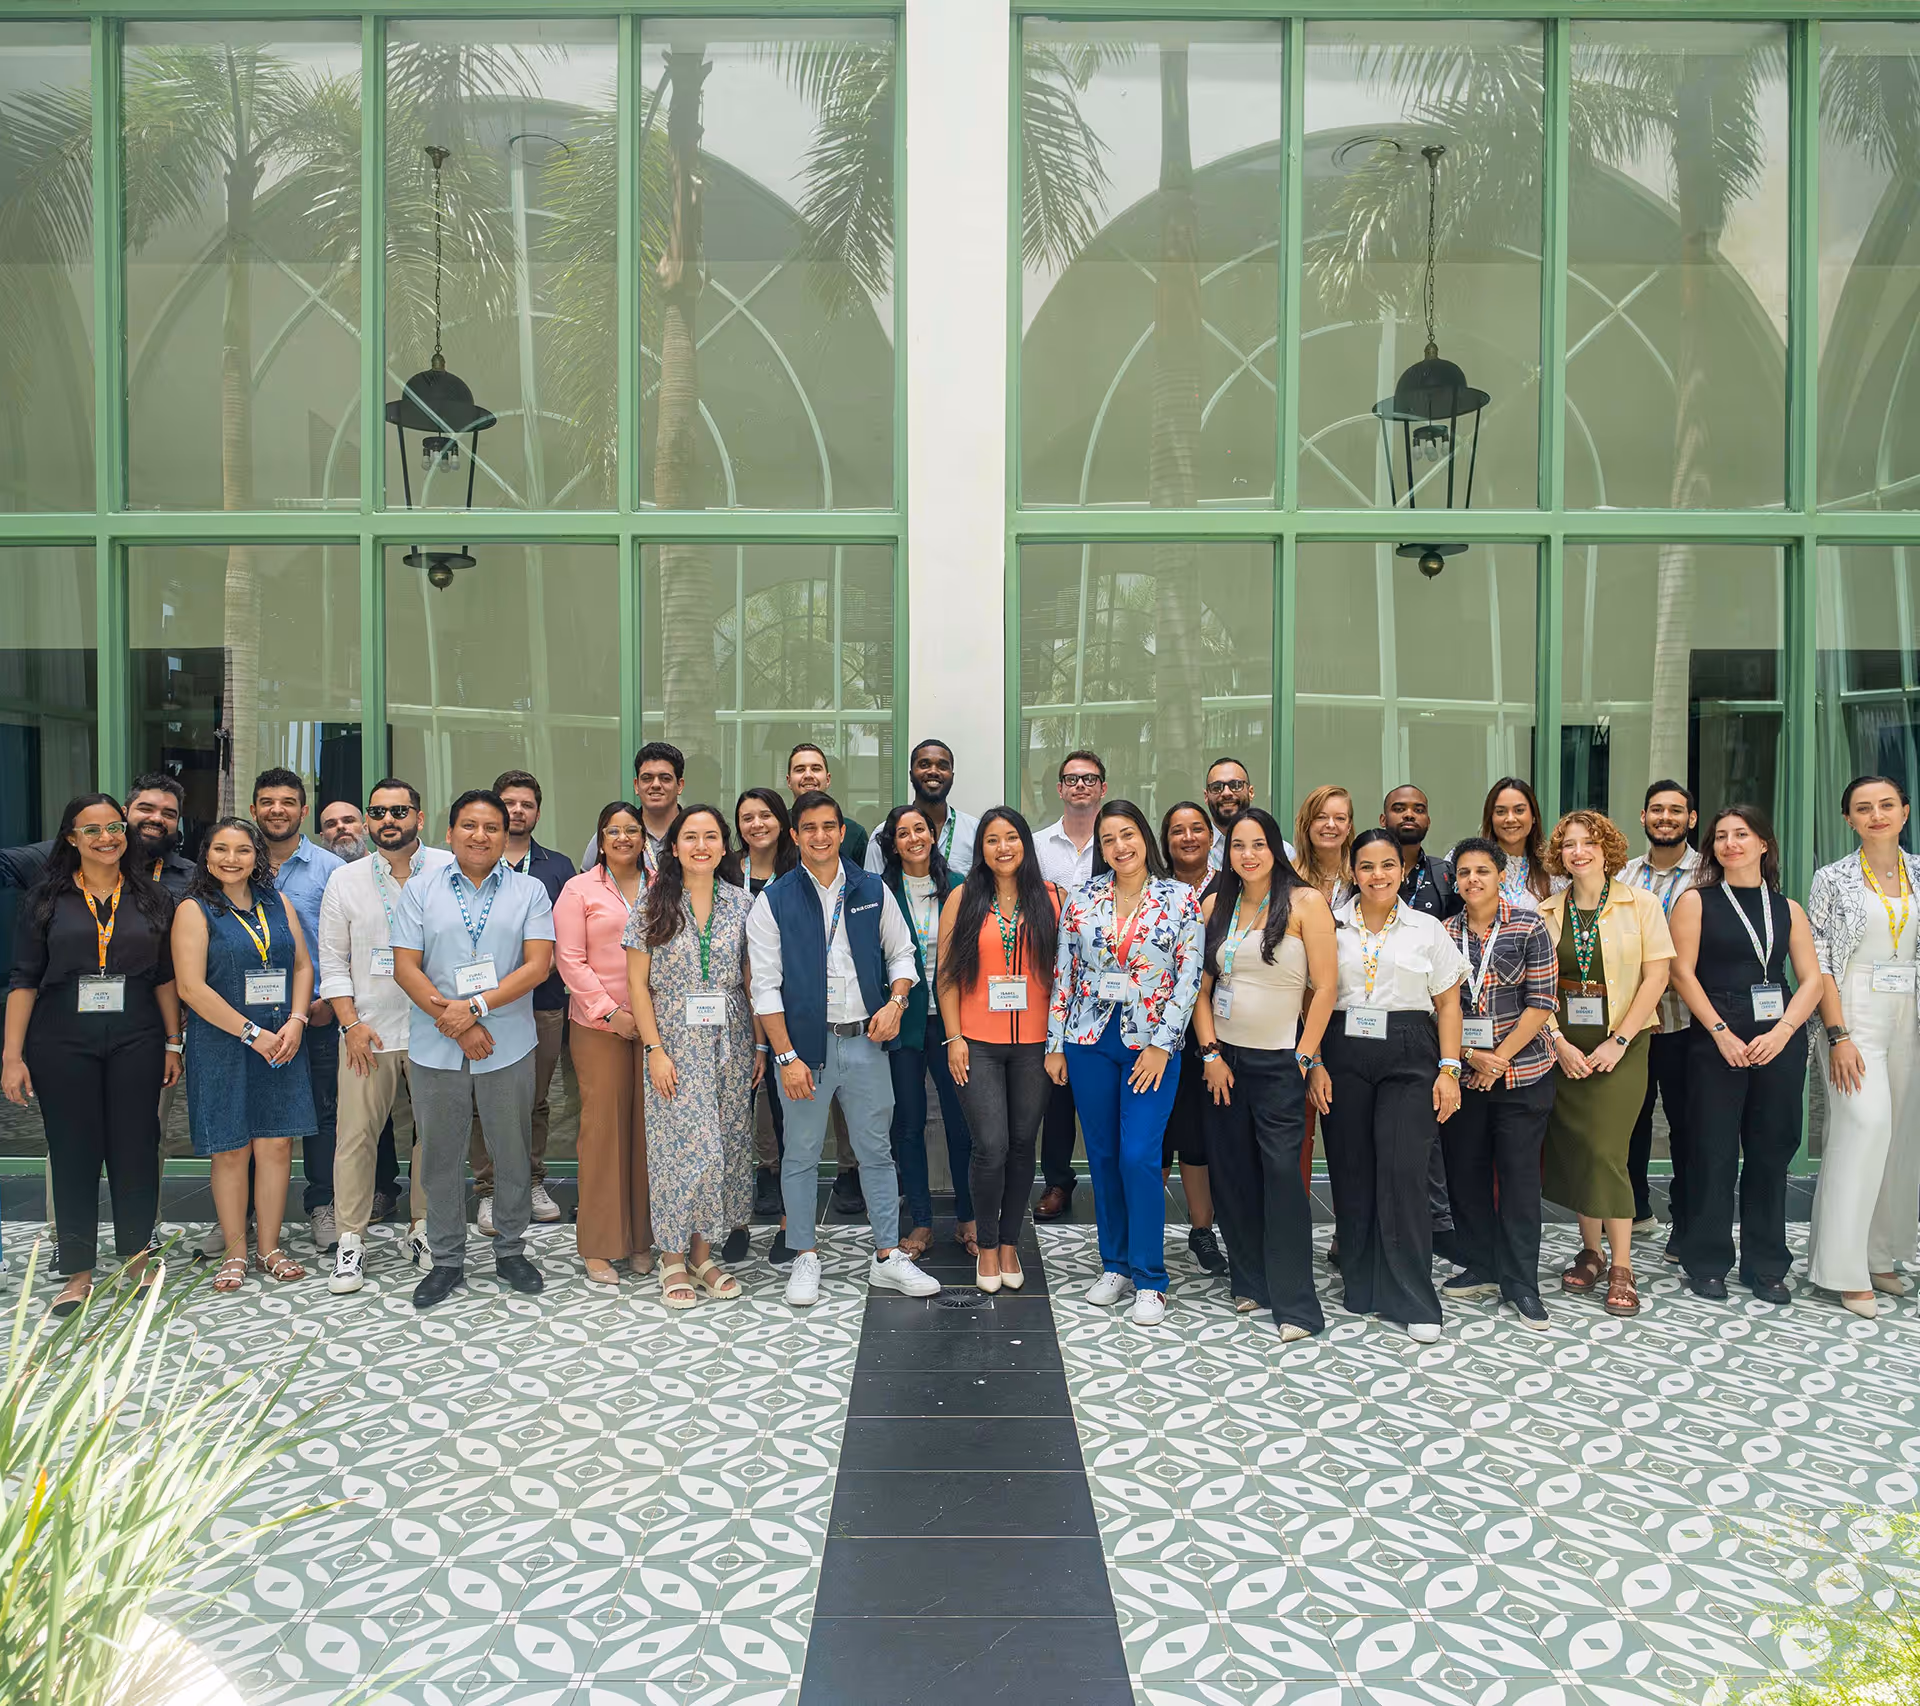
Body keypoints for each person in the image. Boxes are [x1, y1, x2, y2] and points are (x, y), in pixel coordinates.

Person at [749, 791, 942, 1305]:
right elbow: (764, 987)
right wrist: (785, 1057)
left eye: (829, 826)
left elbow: (903, 954)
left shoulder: (872, 888)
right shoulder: (774, 899)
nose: (820, 836)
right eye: (808, 827)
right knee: (801, 1155)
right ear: (795, 835)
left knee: (876, 1152)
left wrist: (897, 1003)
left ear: (841, 830)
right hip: (804, 1053)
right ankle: (805, 1255)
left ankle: (886, 1257)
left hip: (865, 1043)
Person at [2, 796, 181, 1315]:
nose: (107, 837)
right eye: (93, 829)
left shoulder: (151, 897)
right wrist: (12, 1056)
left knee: (136, 1146)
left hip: (137, 1036)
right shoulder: (43, 899)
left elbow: (164, 976)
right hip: (61, 1039)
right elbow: (24, 980)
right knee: (73, 1150)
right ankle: (77, 1271)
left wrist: (173, 1041)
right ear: (71, 838)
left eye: (115, 827)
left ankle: (137, 1256)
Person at [391, 789, 555, 1309]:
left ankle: (510, 1249)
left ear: (505, 835)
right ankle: (446, 1260)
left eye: (491, 827)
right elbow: (405, 967)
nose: (479, 835)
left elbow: (538, 966)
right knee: (440, 1154)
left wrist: (476, 1009)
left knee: (511, 1151)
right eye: (469, 825)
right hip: (436, 1044)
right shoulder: (419, 890)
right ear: (449, 832)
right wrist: (457, 1022)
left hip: (507, 1042)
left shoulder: (530, 891)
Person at [1046, 801, 1203, 1326]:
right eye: (1109, 839)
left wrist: (1164, 1043)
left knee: (1140, 1155)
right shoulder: (1082, 901)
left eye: (1128, 834)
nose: (1120, 846)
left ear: (1144, 838)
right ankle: (1114, 1263)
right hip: (1089, 1041)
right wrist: (1054, 1043)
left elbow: (1189, 977)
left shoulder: (1180, 900)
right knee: (1105, 1156)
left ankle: (1150, 1278)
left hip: (1150, 1048)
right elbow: (1064, 973)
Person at [1190, 807, 1336, 1341]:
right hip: (1225, 1060)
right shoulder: (1216, 904)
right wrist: (1210, 1055)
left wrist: (1304, 1057)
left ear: (1276, 848)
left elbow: (1325, 990)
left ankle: (1297, 1304)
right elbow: (1199, 991)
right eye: (1237, 846)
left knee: (1281, 1178)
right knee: (1232, 1174)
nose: (1247, 855)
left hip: (1281, 1063)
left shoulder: (1304, 902)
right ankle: (1248, 1280)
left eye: (1258, 844)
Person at [1667, 806, 1821, 1306]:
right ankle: (1707, 1261)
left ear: (1763, 845)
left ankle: (1767, 1264)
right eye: (1722, 837)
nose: (1731, 843)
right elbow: (1681, 974)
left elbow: (1812, 979)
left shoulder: (1788, 909)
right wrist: (1720, 1032)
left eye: (1742, 835)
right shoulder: (1696, 901)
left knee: (1771, 1152)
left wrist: (1783, 1032)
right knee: (1712, 1151)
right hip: (1718, 1034)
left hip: (1779, 1034)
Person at [1318, 828, 1466, 1342]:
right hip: (1343, 1052)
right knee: (1352, 1170)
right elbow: (1312, 1000)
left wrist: (1450, 1069)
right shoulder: (1330, 926)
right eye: (1366, 866)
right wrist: (1314, 1062)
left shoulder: (1428, 929)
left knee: (1404, 1171)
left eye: (1387, 865)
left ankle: (1411, 1296)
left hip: (1410, 1052)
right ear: (1351, 872)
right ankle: (1361, 1285)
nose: (1377, 875)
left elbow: (1449, 1004)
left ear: (1402, 871)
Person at [314, 778, 450, 1292]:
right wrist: (349, 1024)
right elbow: (333, 959)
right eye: (377, 812)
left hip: (434, 1028)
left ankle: (424, 1228)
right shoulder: (345, 880)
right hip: (367, 1031)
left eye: (399, 811)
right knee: (355, 1138)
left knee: (433, 1137)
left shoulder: (446, 869)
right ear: (368, 822)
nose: (387, 820)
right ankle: (351, 1241)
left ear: (419, 815)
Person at [1539, 810, 1674, 1320]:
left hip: (1624, 1043)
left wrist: (1618, 1040)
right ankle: (1590, 1252)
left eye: (1589, 842)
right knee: (1579, 1149)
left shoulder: (1641, 904)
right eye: (1569, 844)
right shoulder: (1548, 909)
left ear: (1607, 848)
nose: (1579, 852)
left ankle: (1622, 1267)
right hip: (1566, 1045)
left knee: (1607, 1148)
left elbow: (1656, 977)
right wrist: (1557, 1042)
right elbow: (1538, 986)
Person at [172, 816, 317, 1293]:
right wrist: (252, 1032)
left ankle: (270, 1247)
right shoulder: (194, 909)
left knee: (276, 1144)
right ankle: (236, 1250)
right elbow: (191, 988)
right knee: (231, 1149)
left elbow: (300, 965)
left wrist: (296, 1020)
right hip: (225, 1043)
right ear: (206, 855)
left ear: (258, 856)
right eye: (220, 850)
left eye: (242, 850)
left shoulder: (278, 903)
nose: (230, 859)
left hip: (281, 1039)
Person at [625, 805, 757, 1307]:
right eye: (690, 837)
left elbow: (753, 981)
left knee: (723, 1147)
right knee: (679, 1151)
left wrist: (761, 1045)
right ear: (674, 847)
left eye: (711, 837)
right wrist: (654, 1048)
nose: (700, 845)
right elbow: (638, 985)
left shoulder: (743, 905)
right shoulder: (651, 905)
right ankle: (672, 1257)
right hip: (674, 1042)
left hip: (732, 1041)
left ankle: (703, 1252)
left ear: (725, 846)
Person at [1807, 776, 1920, 1317]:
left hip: (1909, 1018)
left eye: (1886, 805)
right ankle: (1842, 1268)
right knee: (1864, 1127)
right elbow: (1820, 961)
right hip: (1854, 1016)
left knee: (1899, 1141)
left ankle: (1879, 1256)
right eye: (1863, 808)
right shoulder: (1831, 879)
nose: (1876, 815)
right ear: (1848, 819)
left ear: (1904, 812)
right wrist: (1838, 1035)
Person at [936, 806, 1058, 1291]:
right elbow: (945, 975)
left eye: (1011, 838)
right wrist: (954, 1037)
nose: (1002, 847)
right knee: (991, 1146)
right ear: (980, 848)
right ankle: (986, 1247)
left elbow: (1067, 976)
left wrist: (1060, 1044)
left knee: (1024, 1144)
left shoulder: (1052, 898)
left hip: (1035, 1044)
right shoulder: (964, 898)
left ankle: (1011, 1245)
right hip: (977, 1043)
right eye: (991, 839)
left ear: (1024, 844)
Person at [1440, 838, 1560, 1329]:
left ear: (1499, 876)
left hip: (1522, 1073)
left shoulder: (1529, 925)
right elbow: (1438, 1006)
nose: (1472, 880)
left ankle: (1521, 1283)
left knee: (1518, 1181)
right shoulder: (1443, 932)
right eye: (1464, 873)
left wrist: (1499, 1059)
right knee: (1465, 1176)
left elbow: (1542, 1002)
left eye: (1482, 872)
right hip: (1464, 1075)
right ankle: (1482, 1264)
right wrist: (1471, 1056)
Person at [554, 803, 654, 1287]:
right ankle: (598, 1243)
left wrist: (648, 1020)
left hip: (657, 1027)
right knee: (603, 1132)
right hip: (600, 1027)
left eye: (631, 830)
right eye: (613, 830)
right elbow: (569, 960)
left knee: (648, 1133)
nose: (622, 838)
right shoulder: (579, 889)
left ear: (644, 836)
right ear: (600, 836)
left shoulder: (663, 884)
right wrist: (612, 1013)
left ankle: (640, 1239)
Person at [249, 767, 345, 1254]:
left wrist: (329, 997)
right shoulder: (236, 862)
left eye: (287, 801)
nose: (277, 810)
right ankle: (243, 1215)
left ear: (304, 811)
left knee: (324, 1112)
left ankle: (322, 1204)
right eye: (267, 801)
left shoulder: (329, 868)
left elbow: (340, 938)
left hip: (318, 1011)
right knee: (252, 1114)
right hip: (251, 1017)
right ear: (254, 810)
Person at [877, 803, 972, 1260]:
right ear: (892, 844)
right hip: (903, 1023)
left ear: (933, 835)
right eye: (903, 832)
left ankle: (969, 1216)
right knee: (909, 1124)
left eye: (920, 829)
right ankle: (920, 1220)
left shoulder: (958, 886)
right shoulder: (879, 890)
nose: (913, 838)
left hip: (954, 1023)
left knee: (961, 1123)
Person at [482, 771, 574, 1232]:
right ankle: (488, 1188)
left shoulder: (558, 868)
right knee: (486, 1095)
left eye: (526, 804)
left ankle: (533, 1180)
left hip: (544, 1000)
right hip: (485, 1005)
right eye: (509, 803)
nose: (517, 811)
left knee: (535, 1100)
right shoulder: (474, 864)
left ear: (538, 812)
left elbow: (568, 939)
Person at [1619, 780, 1701, 1249]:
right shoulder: (1625, 875)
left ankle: (1686, 1221)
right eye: (1656, 810)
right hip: (1635, 1021)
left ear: (1691, 819)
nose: (1664, 817)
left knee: (1689, 1124)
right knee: (1632, 1119)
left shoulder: (1711, 874)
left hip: (1689, 1020)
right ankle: (1634, 1208)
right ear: (1645, 817)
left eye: (1675, 811)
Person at [1033, 752, 1106, 1226]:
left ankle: (1110, 1183)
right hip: (1052, 983)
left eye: (1089, 779)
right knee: (1057, 1092)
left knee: (1105, 1094)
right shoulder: (1038, 846)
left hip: (1110, 988)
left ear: (1102, 787)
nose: (1080, 786)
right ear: (1059, 788)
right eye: (1071, 779)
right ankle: (1058, 1180)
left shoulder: (1119, 840)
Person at [1158, 801, 1226, 1274]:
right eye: (1177, 831)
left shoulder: (1234, 884)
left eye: (1196, 829)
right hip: (1156, 1032)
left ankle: (1203, 1233)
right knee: (1156, 1137)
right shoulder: (1152, 888)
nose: (1188, 838)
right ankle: (1145, 1235)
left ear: (1210, 836)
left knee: (1200, 1139)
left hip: (1215, 1032)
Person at [736, 787, 796, 1217]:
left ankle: (782, 1178)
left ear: (781, 821)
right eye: (747, 817)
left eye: (765, 815)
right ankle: (757, 1171)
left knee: (780, 1096)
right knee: (740, 1097)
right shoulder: (723, 869)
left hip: (784, 997)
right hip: (731, 1000)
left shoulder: (797, 870)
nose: (757, 824)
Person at [0, 771, 196, 899]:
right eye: (146, 809)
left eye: (169, 814)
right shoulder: (66, 855)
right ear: (124, 813)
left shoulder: (192, 878)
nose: (157, 819)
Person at [864, 739, 978, 878]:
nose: (933, 771)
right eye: (924, 765)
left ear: (952, 777)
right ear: (911, 775)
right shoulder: (884, 834)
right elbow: (872, 892)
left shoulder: (974, 832)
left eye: (942, 766)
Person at [584, 742, 687, 873]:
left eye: (665, 778)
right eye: (647, 778)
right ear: (636, 785)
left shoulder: (696, 833)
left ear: (680, 785)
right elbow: (585, 882)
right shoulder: (611, 834)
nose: (655, 785)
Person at [1481, 778, 1562, 913]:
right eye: (1501, 812)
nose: (1510, 819)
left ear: (1534, 816)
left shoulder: (1551, 867)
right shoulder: (1469, 860)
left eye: (1519, 810)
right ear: (1490, 818)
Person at [1381, 786, 1459, 920]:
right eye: (1399, 809)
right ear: (1383, 820)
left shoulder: (1445, 872)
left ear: (1428, 822)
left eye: (1418, 810)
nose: (1409, 815)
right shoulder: (1365, 873)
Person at [787, 744, 870, 867]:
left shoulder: (854, 834)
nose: (808, 775)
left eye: (816, 769)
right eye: (800, 770)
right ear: (789, 781)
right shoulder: (777, 829)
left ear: (828, 779)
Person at [1292, 784, 1355, 909]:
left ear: (1348, 827)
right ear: (1306, 824)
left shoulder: (1359, 875)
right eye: (1321, 817)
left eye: (1340, 818)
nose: (1331, 825)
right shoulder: (1288, 876)